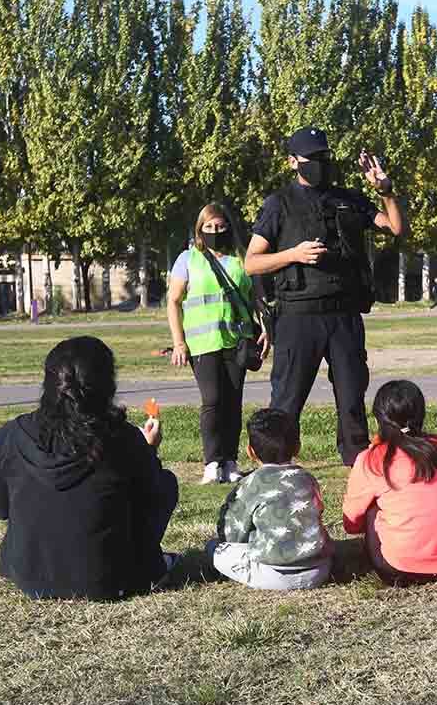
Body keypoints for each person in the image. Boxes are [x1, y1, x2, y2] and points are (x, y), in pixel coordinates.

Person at [245, 127, 408, 466]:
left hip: (344, 315)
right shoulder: (279, 205)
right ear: (293, 162)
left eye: (325, 157)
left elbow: (394, 228)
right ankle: (276, 464)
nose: (321, 164)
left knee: (351, 395)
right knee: (287, 399)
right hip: (297, 316)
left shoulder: (348, 198)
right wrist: (294, 255)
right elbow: (252, 263)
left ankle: (357, 463)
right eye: (313, 159)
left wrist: (386, 191)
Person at [0, 336, 179, 600]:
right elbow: (151, 495)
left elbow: (0, 509)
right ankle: (145, 562)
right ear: (107, 385)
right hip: (109, 579)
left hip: (28, 575)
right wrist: (148, 451)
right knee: (167, 483)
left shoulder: (10, 435)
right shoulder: (122, 439)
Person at [342, 380, 437, 585]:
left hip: (399, 568)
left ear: (379, 417)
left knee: (372, 507)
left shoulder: (371, 459)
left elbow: (351, 523)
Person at [167, 203, 265, 484]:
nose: (214, 231)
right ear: (199, 230)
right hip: (202, 343)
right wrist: (179, 343)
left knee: (233, 401)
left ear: (229, 228)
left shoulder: (241, 259)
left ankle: (230, 461)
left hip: (238, 342)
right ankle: (212, 462)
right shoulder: (188, 259)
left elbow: (256, 299)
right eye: (208, 227)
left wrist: (265, 331)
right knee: (212, 400)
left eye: (220, 226)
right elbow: (174, 301)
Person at [206, 408, 332, 590]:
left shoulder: (250, 483)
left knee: (212, 548)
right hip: (319, 570)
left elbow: (232, 533)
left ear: (250, 451)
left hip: (271, 575)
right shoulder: (307, 478)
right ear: (298, 447)